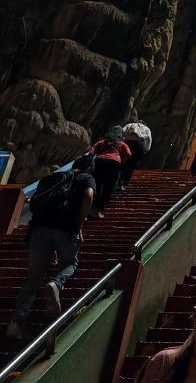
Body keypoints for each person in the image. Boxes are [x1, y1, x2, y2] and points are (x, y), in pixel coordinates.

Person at [7, 153, 96, 340]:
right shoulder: (85, 178)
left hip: (39, 229)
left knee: (33, 278)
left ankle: (15, 324)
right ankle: (55, 284)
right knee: (70, 263)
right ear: (89, 167)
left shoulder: (53, 178)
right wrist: (80, 225)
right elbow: (88, 195)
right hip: (65, 230)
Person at [91, 126, 132, 217]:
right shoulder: (121, 143)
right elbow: (129, 154)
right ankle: (99, 210)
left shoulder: (102, 142)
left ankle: (91, 207)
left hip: (100, 162)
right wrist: (122, 162)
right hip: (114, 163)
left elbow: (91, 151)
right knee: (108, 188)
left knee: (97, 185)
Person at [120, 112, 152, 188]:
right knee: (132, 164)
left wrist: (121, 142)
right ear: (144, 124)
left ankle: (118, 180)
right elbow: (148, 140)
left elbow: (122, 132)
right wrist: (146, 149)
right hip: (139, 146)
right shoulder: (146, 128)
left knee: (123, 162)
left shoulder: (130, 125)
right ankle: (125, 183)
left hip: (128, 144)